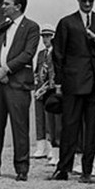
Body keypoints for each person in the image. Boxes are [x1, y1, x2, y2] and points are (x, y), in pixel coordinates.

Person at [50, 0, 95, 182]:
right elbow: (58, 54)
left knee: (91, 129)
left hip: (94, 83)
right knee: (69, 126)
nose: (87, 4)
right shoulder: (66, 22)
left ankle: (87, 170)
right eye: (84, 0)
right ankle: (63, 168)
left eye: (90, 1)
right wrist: (58, 82)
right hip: (73, 82)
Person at [0, 0, 39, 181]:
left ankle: (21, 168)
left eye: (7, 4)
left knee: (20, 127)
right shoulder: (1, 26)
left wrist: (6, 69)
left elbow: (28, 53)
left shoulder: (31, 27)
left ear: (18, 6)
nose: (3, 7)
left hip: (17, 84)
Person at [33, 26, 58, 161]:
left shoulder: (56, 53)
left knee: (51, 119)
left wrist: (46, 87)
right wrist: (37, 84)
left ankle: (51, 147)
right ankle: (40, 145)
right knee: (39, 117)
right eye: (43, 36)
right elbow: (38, 70)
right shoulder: (41, 53)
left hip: (50, 89)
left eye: (48, 36)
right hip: (40, 88)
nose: (46, 39)